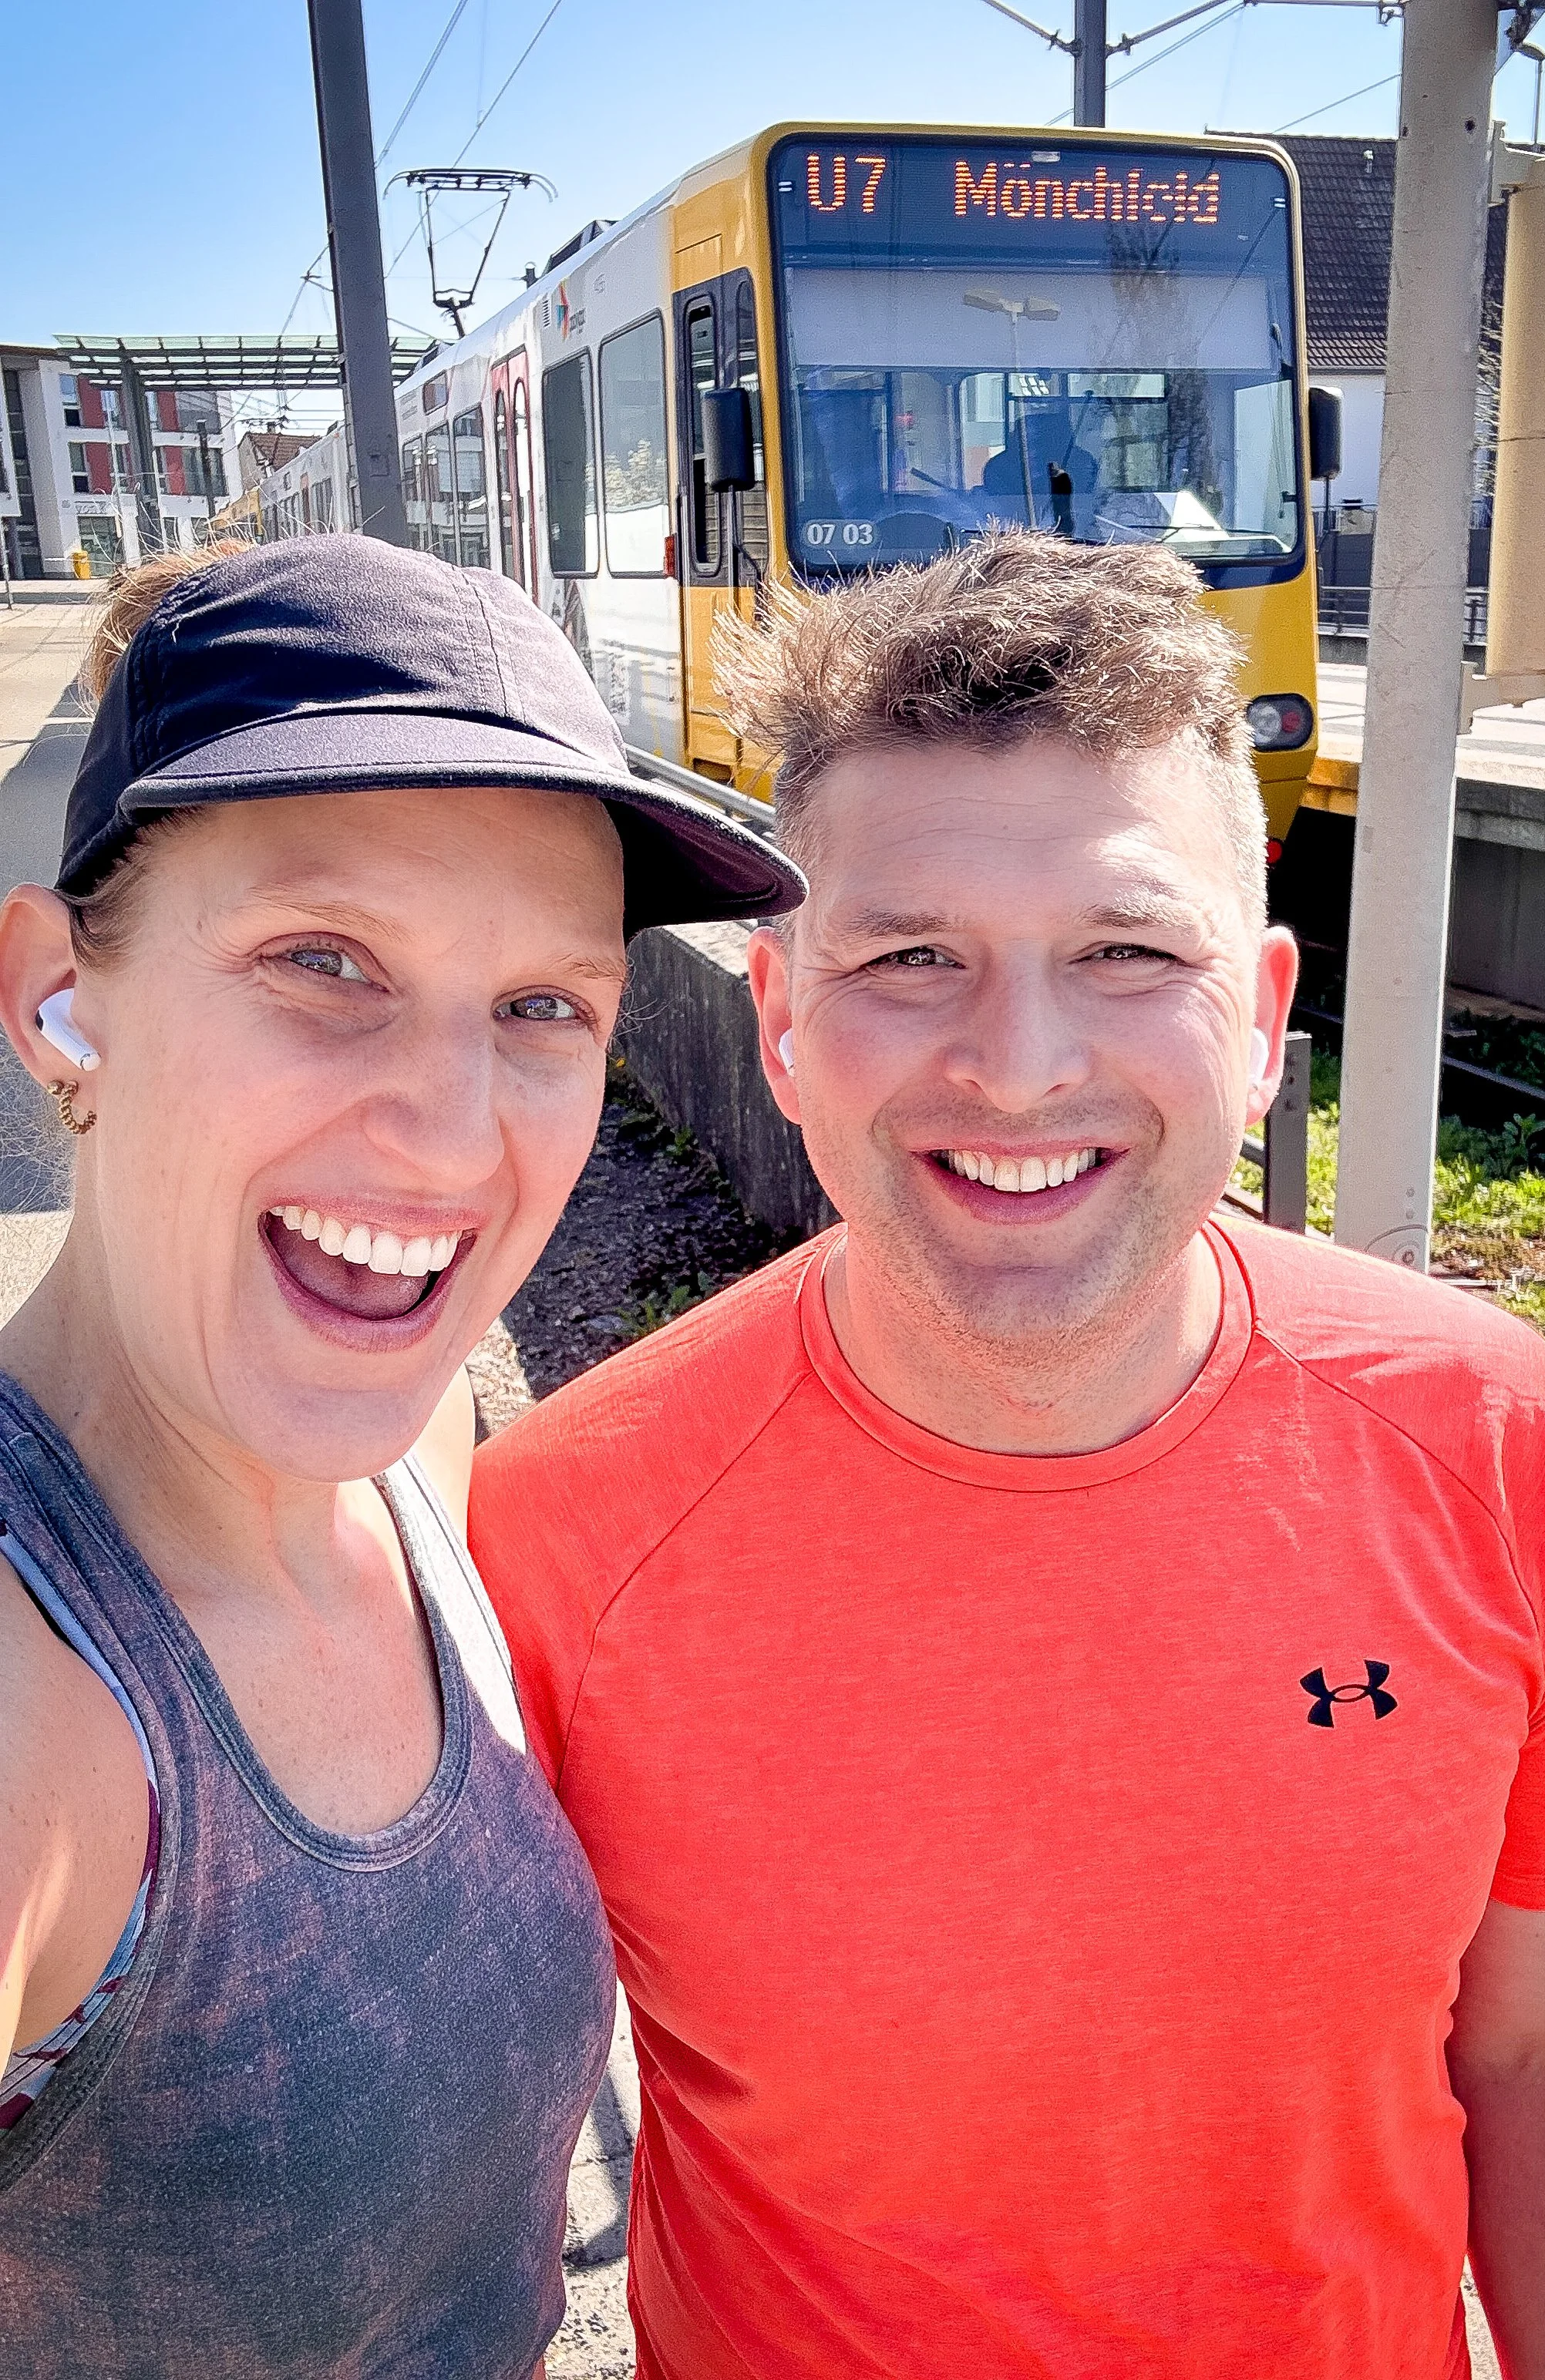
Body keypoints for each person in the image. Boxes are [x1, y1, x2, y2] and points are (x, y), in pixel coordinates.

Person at [471, 532, 1545, 2380]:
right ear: (780, 1017)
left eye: (1124, 950)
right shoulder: (548, 1536)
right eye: (912, 953)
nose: (1018, 1065)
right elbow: (469, 2165)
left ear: (1262, 1022)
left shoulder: (1495, 1438)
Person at [0, 535, 802, 2377]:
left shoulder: (419, 1450)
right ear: (62, 998)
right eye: (322, 958)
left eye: (543, 1006)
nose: (453, 1134)